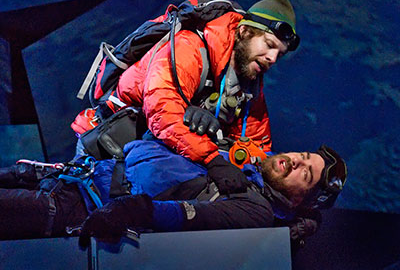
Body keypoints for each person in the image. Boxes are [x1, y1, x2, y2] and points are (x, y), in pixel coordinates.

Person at [72, 0, 301, 196]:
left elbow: (258, 144)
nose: (272, 58)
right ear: (244, 31)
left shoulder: (248, 85)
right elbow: (162, 112)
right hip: (103, 150)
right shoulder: (190, 47)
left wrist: (279, 193)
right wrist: (213, 160)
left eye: (278, 55)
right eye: (269, 44)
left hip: (145, 164)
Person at [0, 140, 347, 251]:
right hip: (70, 177)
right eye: (303, 157)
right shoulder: (239, 167)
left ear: (303, 200)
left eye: (307, 172)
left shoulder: (255, 212)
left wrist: (133, 209)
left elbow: (187, 216)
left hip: (77, 207)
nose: (297, 161)